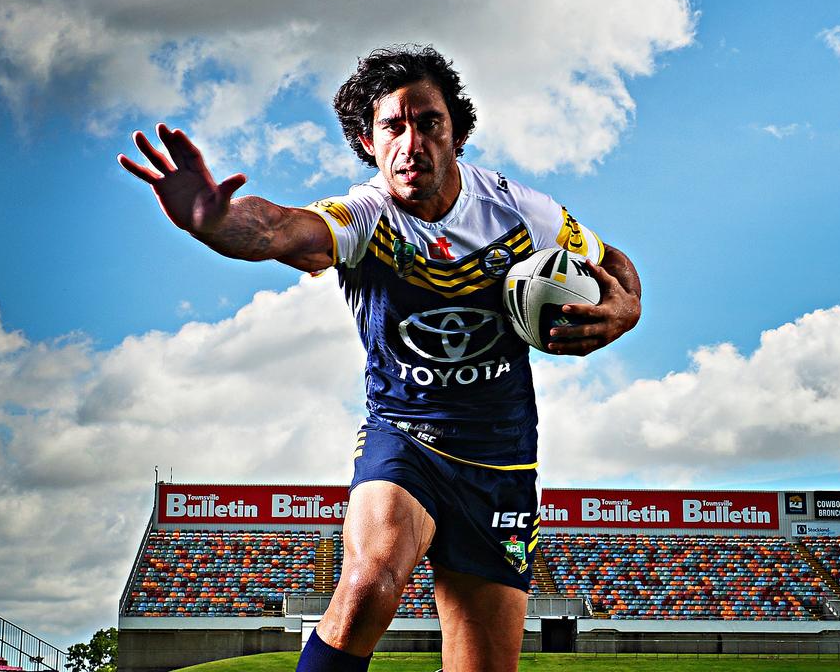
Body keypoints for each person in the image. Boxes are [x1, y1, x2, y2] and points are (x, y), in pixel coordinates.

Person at [118, 45, 641, 672]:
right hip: (404, 435)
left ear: (458, 132)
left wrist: (625, 309)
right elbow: (281, 229)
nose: (410, 142)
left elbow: (612, 262)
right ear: (367, 141)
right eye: (392, 126)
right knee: (369, 582)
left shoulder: (521, 212)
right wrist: (215, 222)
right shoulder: (365, 215)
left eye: (428, 122)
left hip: (501, 453)